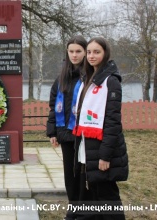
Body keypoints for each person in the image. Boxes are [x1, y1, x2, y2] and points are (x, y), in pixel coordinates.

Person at [73, 37, 129, 219]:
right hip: (87, 146)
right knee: (93, 195)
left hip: (102, 149)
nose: (91, 56)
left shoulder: (110, 82)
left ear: (105, 54)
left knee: (108, 198)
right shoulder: (87, 79)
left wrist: (105, 156)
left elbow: (113, 123)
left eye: (96, 52)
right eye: (89, 52)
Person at [47, 35, 91, 220]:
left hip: (84, 135)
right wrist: (52, 131)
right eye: (71, 51)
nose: (74, 55)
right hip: (65, 134)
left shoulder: (90, 76)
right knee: (69, 174)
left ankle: (85, 210)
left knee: (83, 174)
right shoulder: (61, 78)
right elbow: (53, 106)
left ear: (85, 52)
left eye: (78, 51)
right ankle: (73, 208)